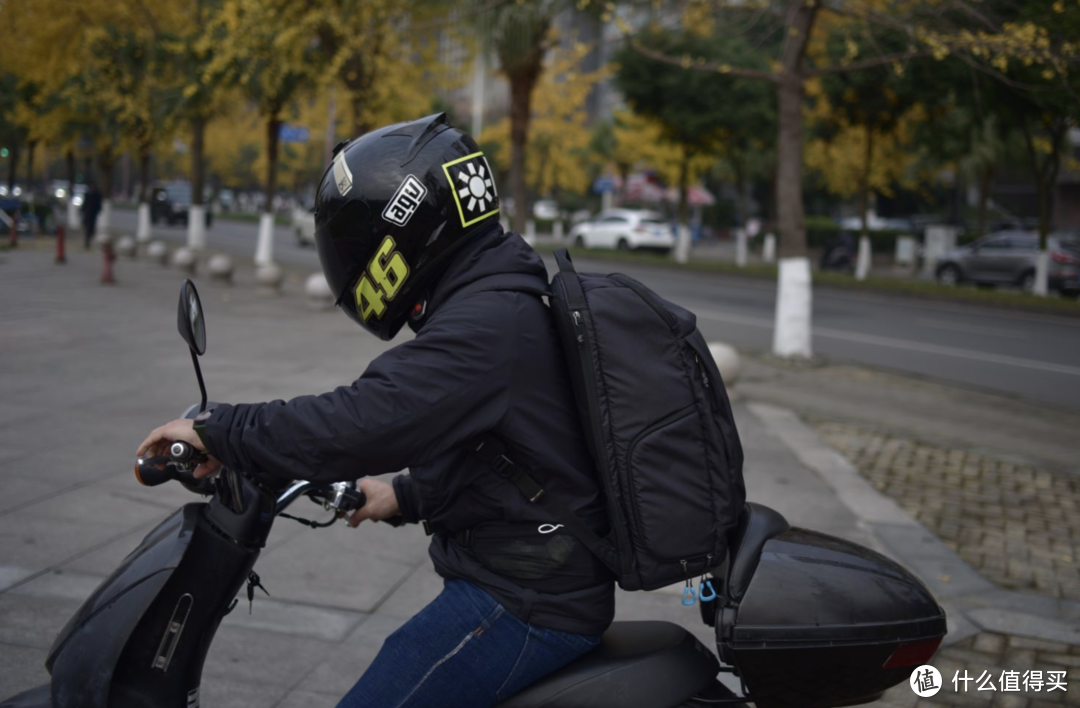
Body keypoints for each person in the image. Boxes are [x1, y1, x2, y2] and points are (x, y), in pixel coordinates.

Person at [136, 114, 613, 708]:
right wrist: (404, 496)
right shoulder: (495, 297)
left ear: (405, 230)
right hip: (527, 575)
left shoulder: (487, 325)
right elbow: (499, 449)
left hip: (528, 601)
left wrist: (220, 430)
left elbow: (360, 421)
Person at [81, 183, 102, 249]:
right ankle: (87, 241)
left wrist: (98, 210)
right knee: (87, 227)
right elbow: (85, 203)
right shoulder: (87, 194)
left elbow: (99, 203)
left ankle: (88, 240)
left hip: (93, 214)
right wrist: (82, 210)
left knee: (92, 228)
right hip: (87, 213)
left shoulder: (97, 194)